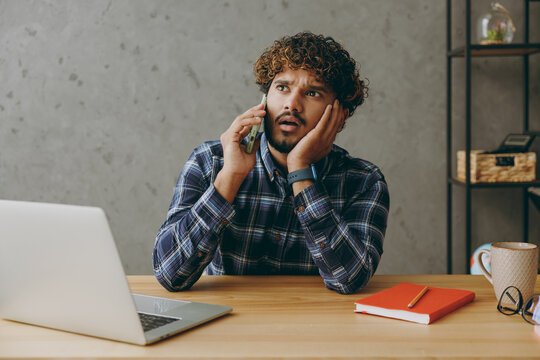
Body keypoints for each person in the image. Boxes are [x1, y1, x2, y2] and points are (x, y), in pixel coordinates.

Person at [153, 32, 389, 294]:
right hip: (228, 327)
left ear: (339, 116)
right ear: (265, 100)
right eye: (282, 87)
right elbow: (169, 274)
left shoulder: (363, 181)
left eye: (312, 92)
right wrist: (230, 177)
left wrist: (300, 170)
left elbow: (349, 280)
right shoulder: (210, 161)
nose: (292, 104)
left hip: (317, 328)